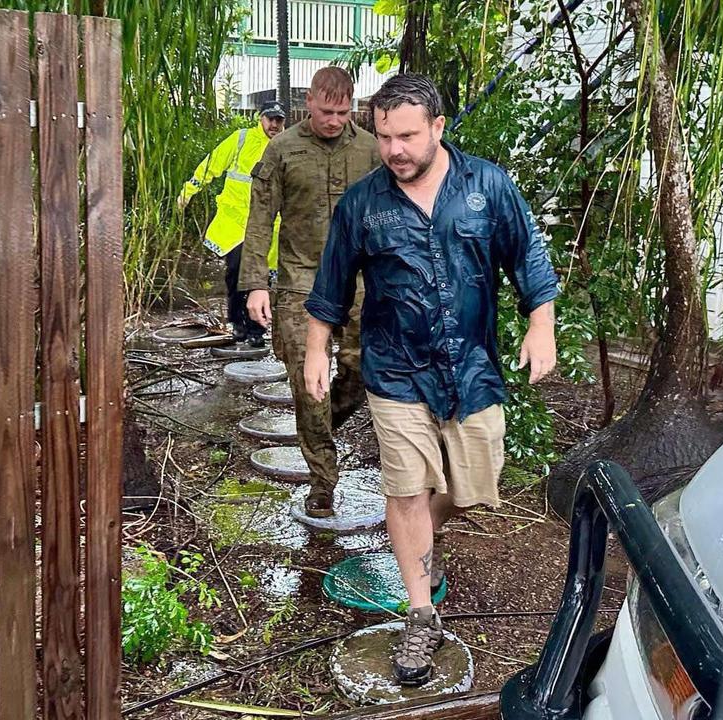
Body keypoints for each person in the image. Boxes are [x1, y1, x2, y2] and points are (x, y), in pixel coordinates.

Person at [303, 74, 558, 685]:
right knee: (407, 490)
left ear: (438, 128)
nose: (395, 150)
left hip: (470, 366)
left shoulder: (486, 186)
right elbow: (330, 287)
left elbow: (528, 256)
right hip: (394, 370)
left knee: (476, 485)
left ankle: (414, 532)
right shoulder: (362, 203)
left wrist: (540, 325)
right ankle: (421, 611)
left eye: (408, 136)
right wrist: (318, 349)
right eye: (386, 136)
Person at [240, 67, 381, 518]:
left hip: (359, 283)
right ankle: (323, 481)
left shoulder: (372, 150)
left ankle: (319, 428)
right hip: (301, 281)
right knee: (308, 380)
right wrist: (256, 284)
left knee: (359, 372)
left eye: (343, 112)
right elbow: (260, 220)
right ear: (309, 101)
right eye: (326, 111)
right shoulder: (282, 149)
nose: (335, 120)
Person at [178, 100, 286, 348]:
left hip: (269, 224)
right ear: (260, 118)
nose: (274, 124)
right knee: (237, 270)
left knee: (262, 279)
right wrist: (188, 190)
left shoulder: (285, 146)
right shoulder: (242, 139)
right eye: (270, 119)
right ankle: (238, 324)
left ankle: (257, 330)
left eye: (279, 120)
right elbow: (212, 164)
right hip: (235, 221)